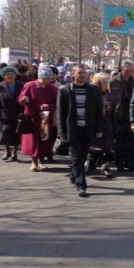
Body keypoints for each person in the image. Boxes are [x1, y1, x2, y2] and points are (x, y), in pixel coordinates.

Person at [57, 65, 103, 197]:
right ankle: (81, 185)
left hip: (88, 128)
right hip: (73, 129)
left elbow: (99, 111)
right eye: (79, 73)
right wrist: (61, 131)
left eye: (84, 73)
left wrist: (99, 128)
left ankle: (74, 175)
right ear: (73, 74)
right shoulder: (64, 90)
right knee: (77, 158)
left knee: (82, 156)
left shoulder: (93, 90)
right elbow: (60, 113)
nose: (82, 75)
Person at [18, 64, 59, 172]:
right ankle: (33, 162)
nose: (45, 81)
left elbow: (57, 104)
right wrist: (25, 99)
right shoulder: (29, 85)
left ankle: (42, 161)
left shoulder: (53, 89)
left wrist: (49, 106)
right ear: (39, 77)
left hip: (45, 118)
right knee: (33, 140)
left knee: (44, 140)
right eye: (43, 79)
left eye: (48, 79)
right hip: (31, 118)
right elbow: (20, 99)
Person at [0, 66, 24, 162]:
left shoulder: (21, 85)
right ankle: (7, 151)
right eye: (7, 75)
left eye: (11, 74)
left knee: (16, 134)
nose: (9, 76)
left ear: (15, 75)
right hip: (4, 114)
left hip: (17, 114)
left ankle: (15, 152)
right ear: (4, 76)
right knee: (5, 133)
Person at [109, 60, 134, 172]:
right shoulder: (113, 81)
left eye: (131, 70)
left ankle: (130, 162)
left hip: (131, 115)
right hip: (118, 115)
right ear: (122, 69)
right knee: (119, 141)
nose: (129, 72)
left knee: (131, 141)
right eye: (127, 70)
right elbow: (110, 99)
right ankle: (119, 163)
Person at [87, 72, 117, 178]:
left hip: (108, 125)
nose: (106, 84)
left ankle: (105, 167)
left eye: (106, 82)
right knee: (94, 147)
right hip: (95, 125)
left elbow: (113, 112)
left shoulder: (109, 96)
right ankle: (90, 164)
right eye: (103, 82)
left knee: (107, 148)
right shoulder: (92, 94)